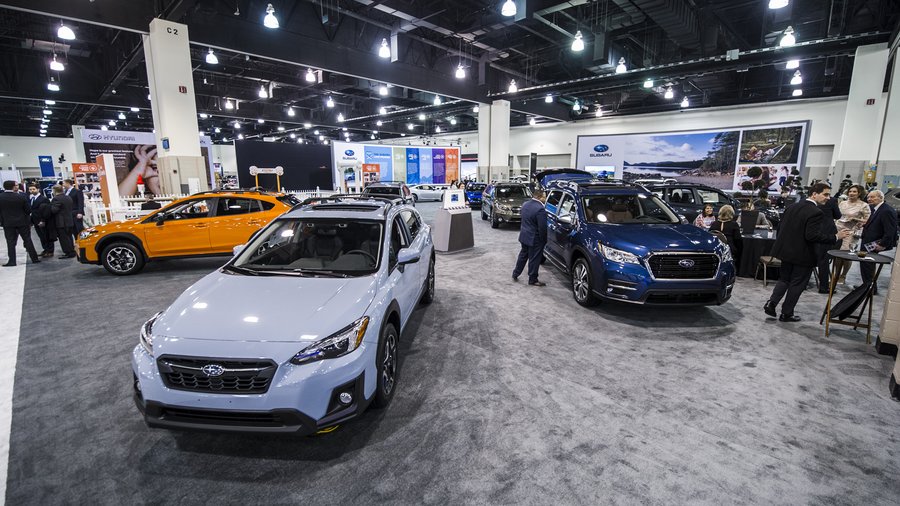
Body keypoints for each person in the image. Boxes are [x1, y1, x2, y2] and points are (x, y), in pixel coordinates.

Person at [764, 183, 849, 322]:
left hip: (786, 251)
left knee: (784, 279)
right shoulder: (816, 212)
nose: (828, 198)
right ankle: (786, 313)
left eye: (829, 194)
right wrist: (835, 237)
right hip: (803, 255)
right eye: (825, 194)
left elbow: (781, 228)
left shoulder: (792, 206)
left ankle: (771, 303)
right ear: (814, 194)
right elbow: (812, 236)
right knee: (797, 284)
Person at [858, 190, 899, 292]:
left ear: (881, 198)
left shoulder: (886, 211)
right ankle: (867, 286)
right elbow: (877, 223)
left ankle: (869, 288)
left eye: (872, 197)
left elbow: (890, 230)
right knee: (866, 265)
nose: (869, 199)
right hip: (868, 241)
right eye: (868, 197)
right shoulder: (876, 209)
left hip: (874, 243)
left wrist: (882, 244)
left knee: (868, 265)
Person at [833, 184, 870, 284]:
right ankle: (836, 274)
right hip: (838, 229)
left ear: (859, 194)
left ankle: (843, 275)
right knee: (837, 254)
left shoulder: (864, 205)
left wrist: (855, 219)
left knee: (846, 254)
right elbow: (837, 215)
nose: (851, 193)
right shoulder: (842, 203)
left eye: (854, 192)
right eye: (850, 191)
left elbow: (868, 220)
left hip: (851, 231)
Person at [512, 187, 548, 286]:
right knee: (534, 259)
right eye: (544, 197)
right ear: (540, 197)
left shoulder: (525, 204)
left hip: (524, 235)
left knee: (523, 255)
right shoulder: (540, 209)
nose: (545, 199)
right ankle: (533, 279)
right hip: (535, 238)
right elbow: (542, 228)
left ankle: (516, 273)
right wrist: (544, 240)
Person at [0, 180, 41, 266]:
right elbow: (28, 210)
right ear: (13, 187)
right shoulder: (21, 197)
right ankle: (35, 258)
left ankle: (12, 261)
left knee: (10, 242)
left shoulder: (1, 197)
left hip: (8, 223)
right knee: (27, 240)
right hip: (22, 222)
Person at [814, 193, 841, 293]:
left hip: (812, 230)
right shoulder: (832, 200)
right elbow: (838, 215)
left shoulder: (809, 199)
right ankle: (824, 287)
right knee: (823, 260)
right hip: (826, 232)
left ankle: (803, 284)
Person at [27, 184, 54, 257]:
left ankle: (50, 250)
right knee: (41, 236)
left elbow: (46, 211)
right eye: (30, 189)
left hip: (43, 220)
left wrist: (43, 220)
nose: (32, 191)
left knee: (47, 235)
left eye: (33, 189)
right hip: (35, 220)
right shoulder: (31, 198)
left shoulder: (43, 199)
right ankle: (45, 249)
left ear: (38, 189)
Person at [50, 185, 76, 259]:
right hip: (69, 220)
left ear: (54, 191)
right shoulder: (68, 197)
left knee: (63, 239)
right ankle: (72, 251)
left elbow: (54, 210)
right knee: (69, 237)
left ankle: (68, 252)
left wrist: (50, 207)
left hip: (61, 222)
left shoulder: (56, 199)